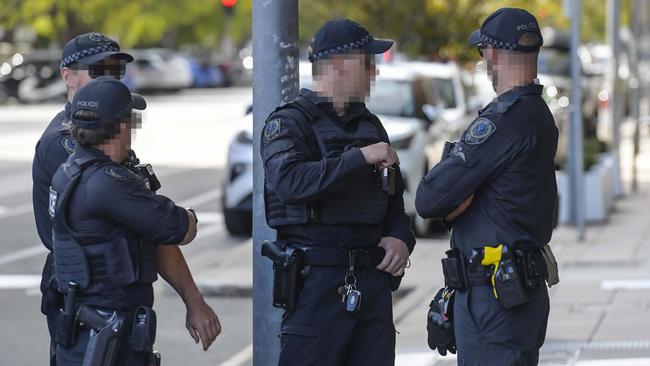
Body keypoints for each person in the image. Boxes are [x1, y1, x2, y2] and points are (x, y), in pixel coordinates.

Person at [32, 33, 220, 365]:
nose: (108, 77)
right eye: (98, 69)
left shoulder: (103, 150)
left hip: (117, 307)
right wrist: (179, 219)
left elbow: (146, 222)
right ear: (67, 75)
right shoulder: (68, 147)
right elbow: (157, 221)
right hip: (89, 305)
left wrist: (193, 299)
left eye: (115, 70)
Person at [260, 19, 416, 366]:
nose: (374, 72)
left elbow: (395, 206)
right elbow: (291, 182)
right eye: (367, 63)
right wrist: (359, 158)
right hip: (316, 287)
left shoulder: (370, 125)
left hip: (371, 286)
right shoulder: (288, 123)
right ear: (340, 66)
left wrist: (401, 238)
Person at [415, 8, 559, 366]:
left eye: (483, 55)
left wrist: (457, 194)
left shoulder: (504, 121)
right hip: (511, 294)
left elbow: (430, 199)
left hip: (494, 304)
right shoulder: (537, 113)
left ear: (493, 54)